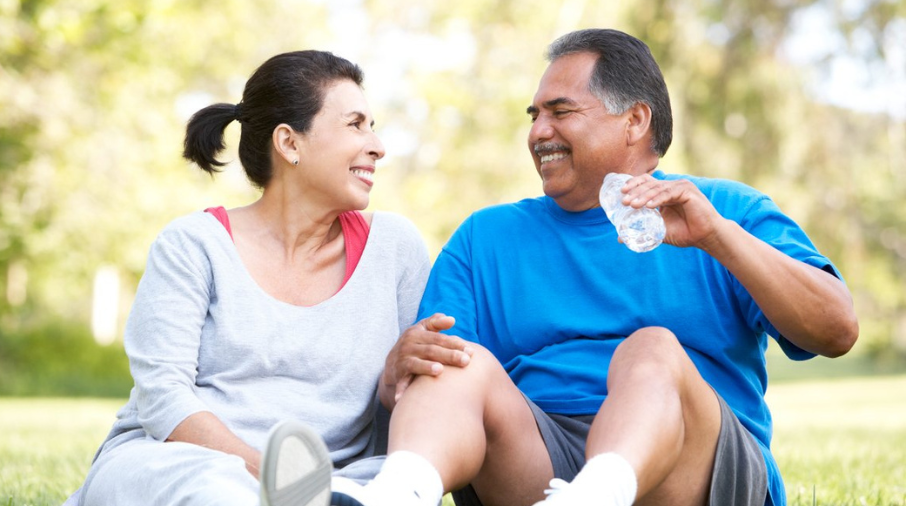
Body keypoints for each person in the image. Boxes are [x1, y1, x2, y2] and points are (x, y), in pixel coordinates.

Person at [331, 28, 858, 506]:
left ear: (634, 120)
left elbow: (835, 330)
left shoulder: (726, 210)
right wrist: (399, 373)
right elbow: (431, 388)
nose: (539, 132)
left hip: (693, 463)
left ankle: (600, 492)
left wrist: (717, 237)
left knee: (652, 347)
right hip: (540, 463)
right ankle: (392, 495)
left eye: (560, 111)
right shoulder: (485, 237)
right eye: (534, 115)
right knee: (454, 359)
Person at [63, 50, 469, 506]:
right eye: (356, 125)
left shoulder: (395, 247)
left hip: (340, 478)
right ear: (290, 143)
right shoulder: (193, 245)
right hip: (185, 461)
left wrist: (395, 378)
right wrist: (280, 480)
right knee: (215, 493)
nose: (377, 146)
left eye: (372, 126)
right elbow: (163, 399)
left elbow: (410, 401)